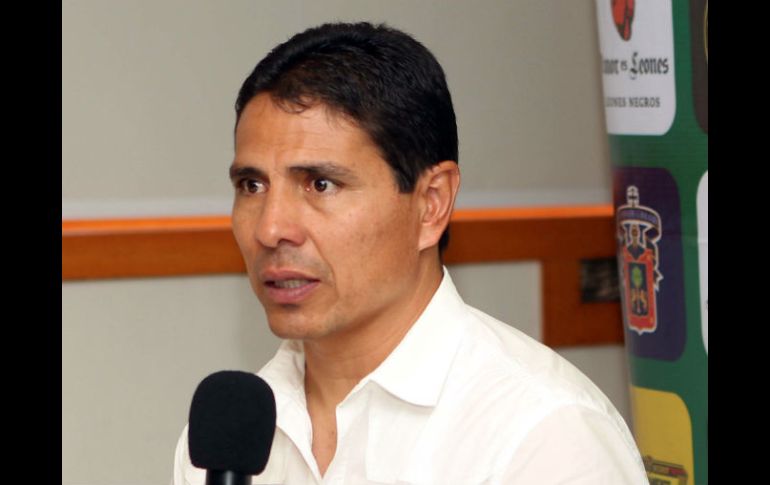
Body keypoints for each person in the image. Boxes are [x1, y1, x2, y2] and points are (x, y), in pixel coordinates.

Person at [173, 21, 648, 484]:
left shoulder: (543, 435)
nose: (271, 228)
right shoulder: (225, 441)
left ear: (430, 203)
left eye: (321, 184)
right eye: (252, 185)